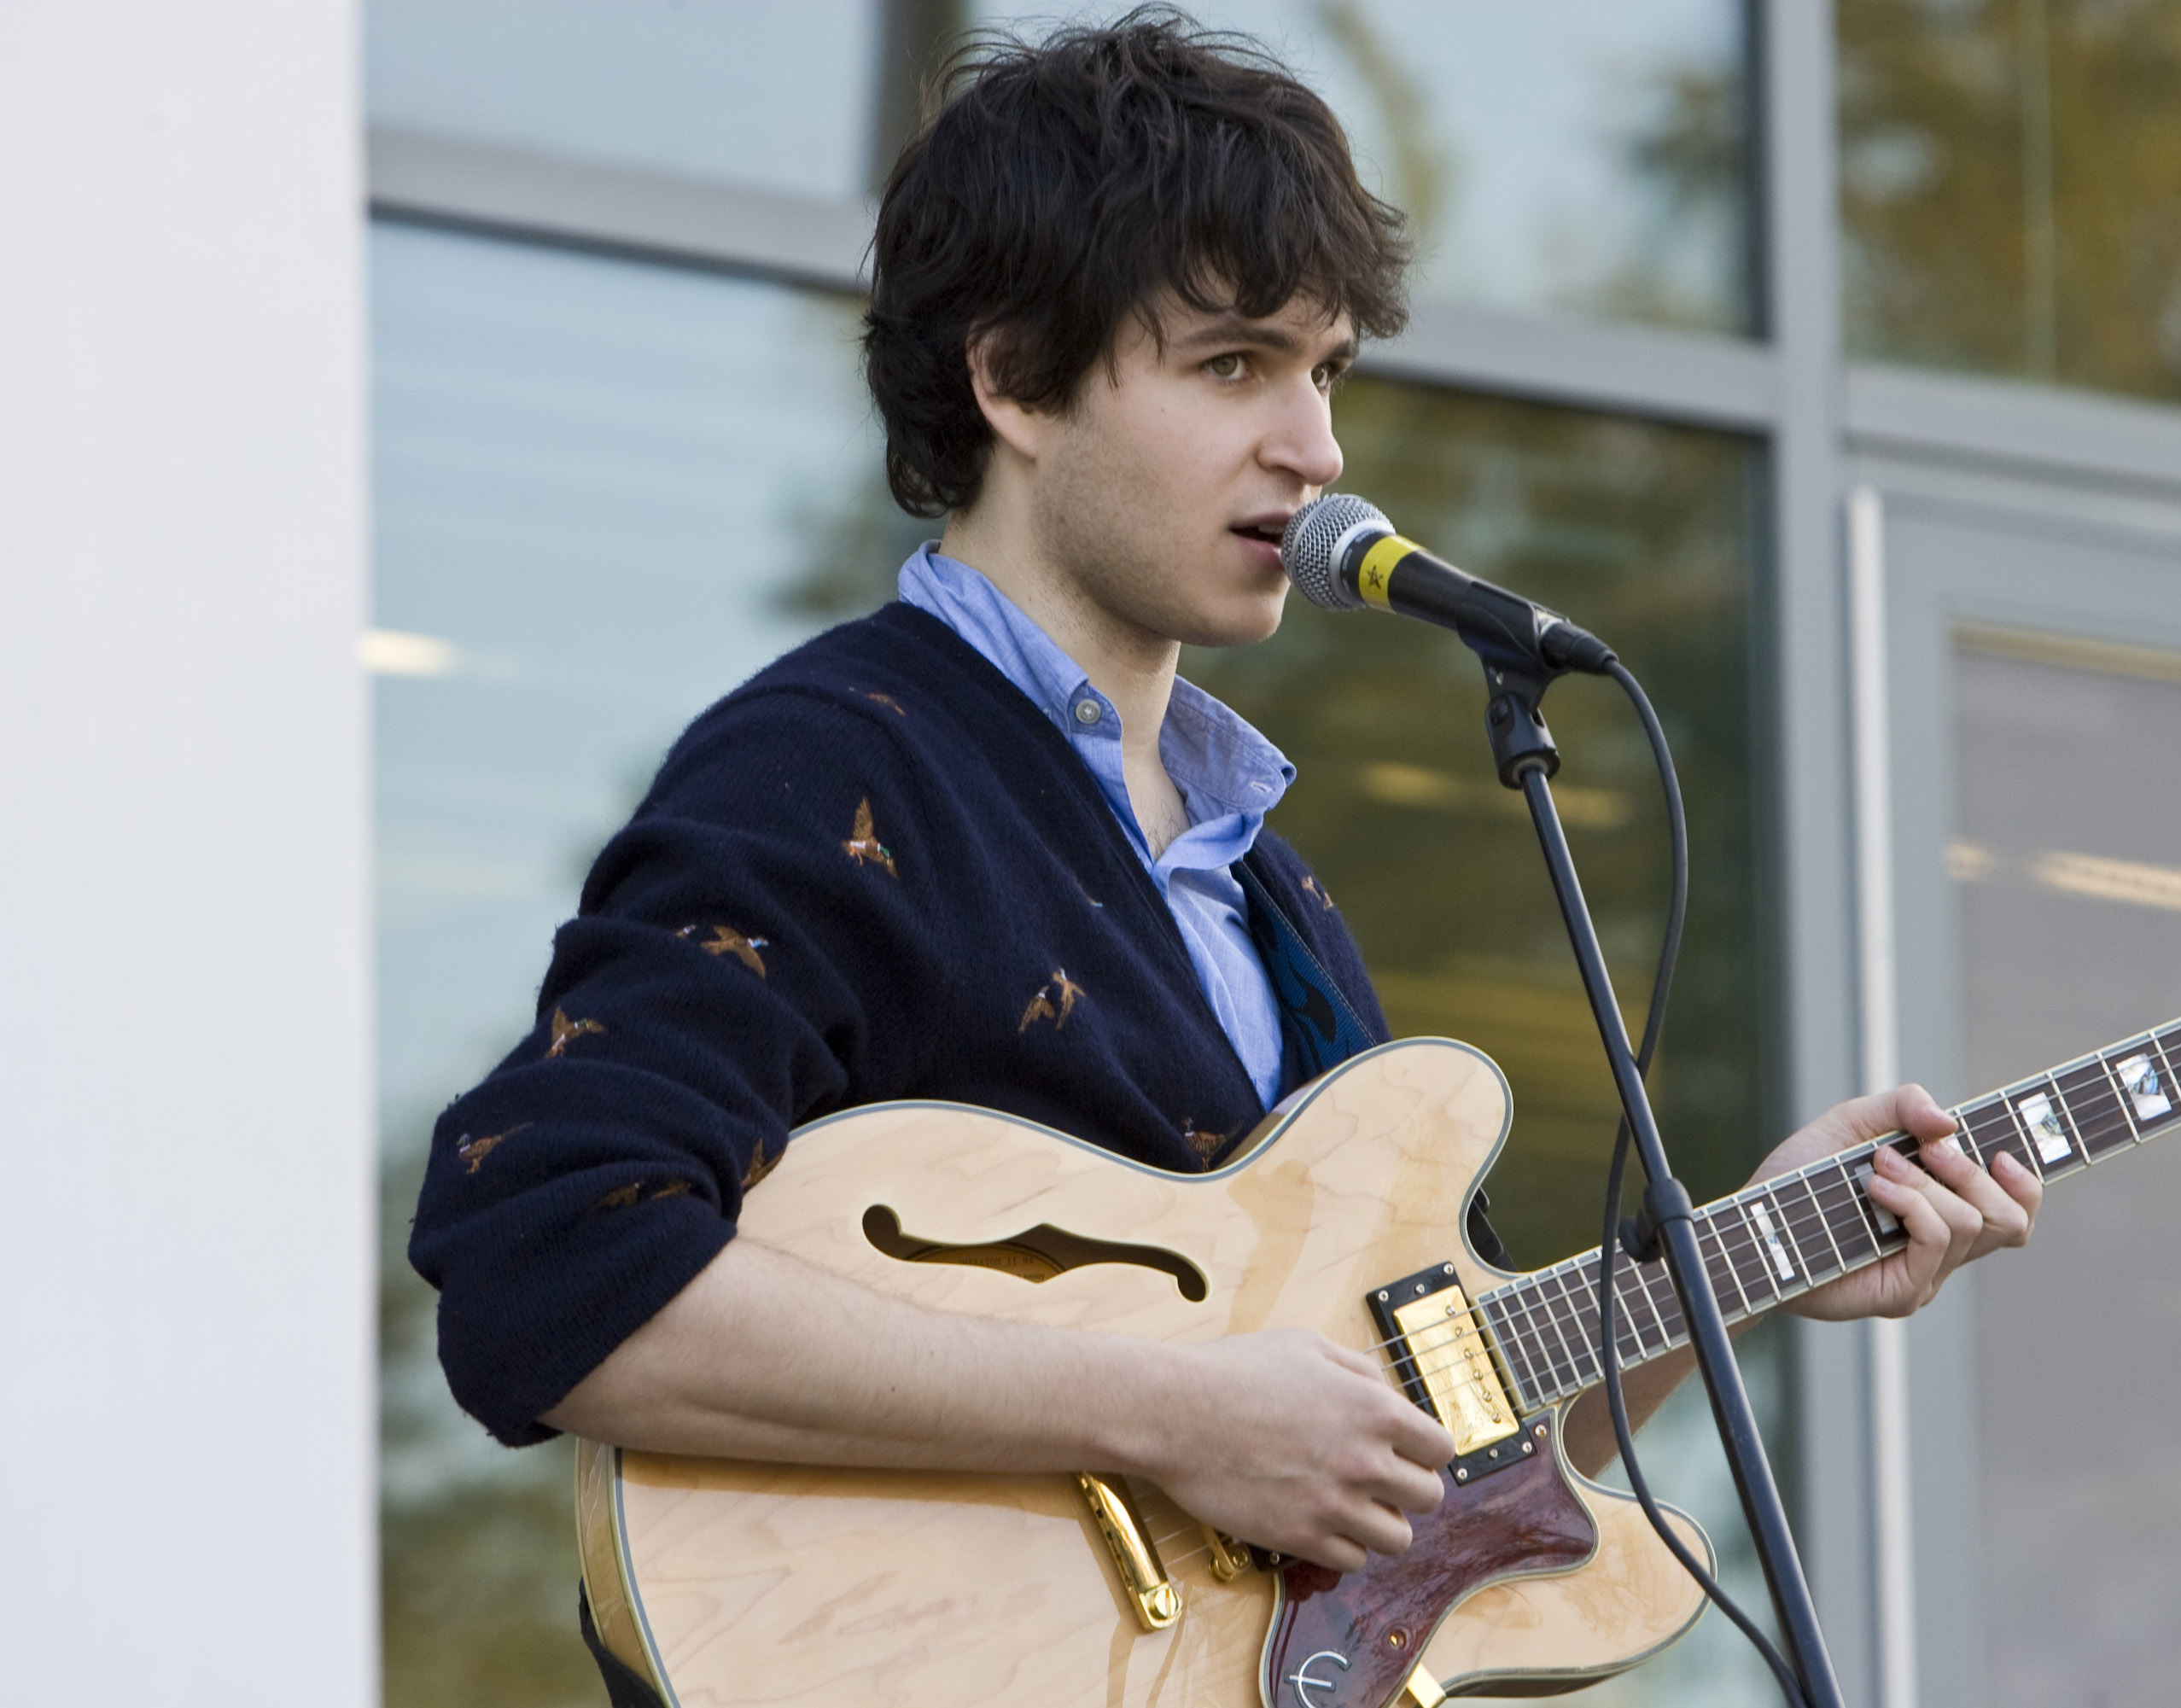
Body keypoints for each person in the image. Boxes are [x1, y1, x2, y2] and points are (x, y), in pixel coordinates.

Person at [407, 9, 2042, 1698]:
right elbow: (552, 1260)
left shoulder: (1267, 884)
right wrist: (1174, 1412)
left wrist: (1743, 1257)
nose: (1318, 447)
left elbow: (1406, 1458)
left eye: (1326, 370)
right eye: (1234, 364)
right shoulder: (835, 764)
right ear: (1012, 375)